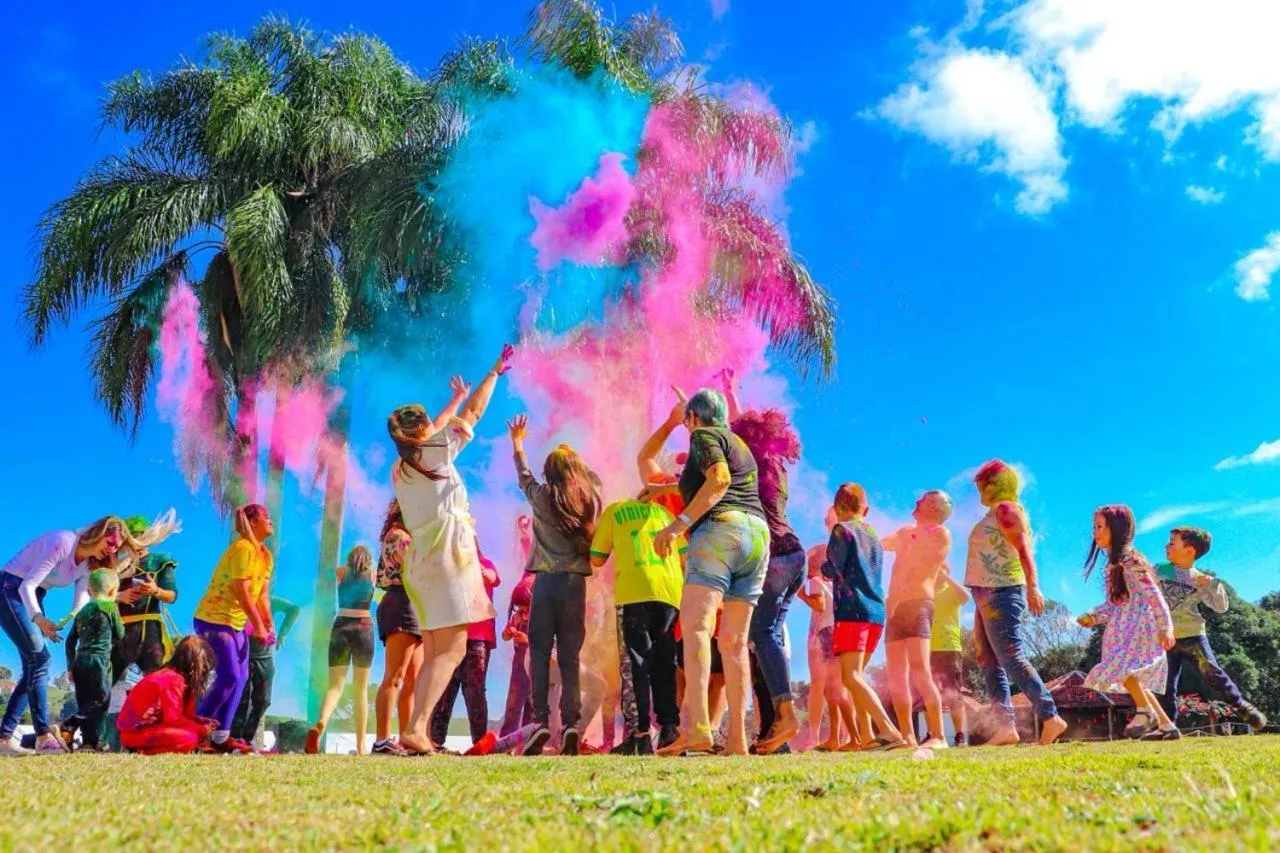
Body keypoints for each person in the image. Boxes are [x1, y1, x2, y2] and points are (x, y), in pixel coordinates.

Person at [389, 348, 511, 756]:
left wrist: (454, 400)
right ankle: (418, 726)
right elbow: (473, 417)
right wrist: (492, 373)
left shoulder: (403, 467)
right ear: (422, 430)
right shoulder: (435, 453)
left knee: (436, 646)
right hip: (447, 557)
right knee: (455, 646)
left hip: (421, 564)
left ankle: (414, 729)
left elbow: (437, 431)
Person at [652, 387, 770, 757]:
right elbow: (718, 480)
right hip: (756, 536)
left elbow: (718, 480)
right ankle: (736, 739)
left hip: (719, 531)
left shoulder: (702, 435)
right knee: (733, 642)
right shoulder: (736, 442)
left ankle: (699, 727)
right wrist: (667, 488)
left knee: (696, 628)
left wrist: (677, 526)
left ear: (692, 419)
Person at [720, 370, 807, 755]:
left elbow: (734, 434)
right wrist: (730, 392)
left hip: (773, 556)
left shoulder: (749, 464)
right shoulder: (774, 464)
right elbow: (742, 427)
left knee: (761, 636)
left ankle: (786, 715)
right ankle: (775, 735)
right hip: (793, 554)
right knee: (762, 640)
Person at [0, 516, 138, 756]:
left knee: (34, 665)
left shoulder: (87, 565)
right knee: (40, 661)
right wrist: (39, 620)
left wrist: (79, 616)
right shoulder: (63, 541)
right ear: (98, 532)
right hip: (10, 589)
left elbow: (82, 602)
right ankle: (44, 736)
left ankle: (3, 739)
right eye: (112, 541)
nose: (112, 549)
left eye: (117, 547)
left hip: (35, 596)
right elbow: (26, 586)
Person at [507, 414, 602, 756]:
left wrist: (518, 441)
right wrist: (576, 463)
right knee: (569, 659)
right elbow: (591, 481)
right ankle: (572, 725)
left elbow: (523, 476)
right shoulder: (588, 500)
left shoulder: (541, 496)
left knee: (540, 653)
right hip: (575, 585)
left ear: (549, 472)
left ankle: (542, 722)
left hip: (544, 585)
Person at [964, 460, 1067, 746]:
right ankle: (1005, 727)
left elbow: (1024, 549)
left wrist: (1034, 586)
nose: (979, 490)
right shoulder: (993, 514)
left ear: (994, 484)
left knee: (1011, 656)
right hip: (984, 593)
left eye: (983, 484)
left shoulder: (1007, 510)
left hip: (1002, 591)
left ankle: (1051, 717)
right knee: (988, 660)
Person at [590, 492, 684, 755]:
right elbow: (684, 555)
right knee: (666, 663)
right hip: (669, 593)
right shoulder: (666, 514)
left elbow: (597, 558)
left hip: (634, 592)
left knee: (637, 663)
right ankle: (669, 731)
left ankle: (640, 734)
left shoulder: (614, 509)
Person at [1078, 505, 1177, 740]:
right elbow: (1114, 604)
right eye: (1094, 527)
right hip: (1122, 628)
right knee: (1131, 676)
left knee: (1125, 669)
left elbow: (1154, 595)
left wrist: (1166, 626)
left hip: (1140, 627)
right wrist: (1094, 615)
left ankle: (1146, 712)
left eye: (1100, 527)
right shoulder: (1112, 565)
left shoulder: (1131, 560)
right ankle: (1166, 725)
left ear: (1117, 528)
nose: (1095, 532)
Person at [820, 483, 907, 751]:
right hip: (875, 612)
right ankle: (868, 737)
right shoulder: (872, 535)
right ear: (865, 510)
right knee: (857, 675)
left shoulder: (841, 530)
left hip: (852, 610)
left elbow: (833, 567)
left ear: (837, 508)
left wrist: (823, 567)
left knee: (851, 678)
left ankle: (889, 730)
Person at [1154, 526, 1266, 731]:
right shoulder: (1159, 570)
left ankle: (1241, 705)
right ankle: (1166, 727)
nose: (1166, 545)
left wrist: (1213, 585)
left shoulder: (1199, 578)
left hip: (1193, 636)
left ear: (1190, 550)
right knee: (1164, 685)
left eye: (1172, 542)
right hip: (1165, 637)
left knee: (1211, 671)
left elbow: (1221, 607)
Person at [192, 503, 275, 754]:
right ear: (252, 523)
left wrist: (267, 622)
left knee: (240, 679)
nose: (271, 521)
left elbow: (261, 594)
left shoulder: (264, 555)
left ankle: (220, 737)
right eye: (266, 517)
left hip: (234, 624)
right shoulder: (242, 549)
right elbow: (242, 591)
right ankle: (195, 732)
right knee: (229, 675)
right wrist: (258, 625)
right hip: (214, 619)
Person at [882, 491, 954, 750]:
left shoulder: (940, 534)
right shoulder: (906, 533)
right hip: (895, 609)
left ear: (934, 507)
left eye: (921, 501)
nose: (915, 503)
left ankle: (939, 736)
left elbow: (924, 558)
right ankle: (907, 736)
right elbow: (880, 545)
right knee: (896, 676)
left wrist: (906, 536)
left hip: (919, 605)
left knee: (920, 669)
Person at [306, 545, 378, 755]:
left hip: (341, 627)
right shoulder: (372, 575)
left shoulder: (340, 572)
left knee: (335, 687)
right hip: (364, 628)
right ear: (368, 559)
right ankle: (361, 745)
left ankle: (320, 724)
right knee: (361, 689)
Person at [430, 538, 500, 749]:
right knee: (445, 688)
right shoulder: (450, 566)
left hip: (478, 637)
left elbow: (491, 578)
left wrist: (472, 567)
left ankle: (479, 743)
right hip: (452, 635)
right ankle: (435, 741)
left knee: (475, 690)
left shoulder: (485, 563)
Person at [797, 529, 856, 751]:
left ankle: (851, 737)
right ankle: (838, 737)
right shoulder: (835, 584)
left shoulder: (815, 582)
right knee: (839, 687)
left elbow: (819, 606)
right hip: (840, 630)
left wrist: (801, 594)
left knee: (832, 689)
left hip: (827, 634)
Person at [117, 636, 217, 755]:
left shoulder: (178, 678)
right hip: (135, 734)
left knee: (194, 734)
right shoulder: (173, 679)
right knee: (189, 738)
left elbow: (182, 716)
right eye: (205, 668)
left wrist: (199, 721)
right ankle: (141, 751)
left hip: (146, 730)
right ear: (194, 666)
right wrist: (202, 729)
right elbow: (173, 719)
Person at [60, 569, 125, 751]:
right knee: (101, 700)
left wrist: (70, 667)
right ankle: (70, 724)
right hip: (99, 661)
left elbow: (70, 641)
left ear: (89, 591)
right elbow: (120, 633)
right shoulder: (110, 607)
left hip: (80, 662)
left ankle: (88, 743)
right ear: (113, 591)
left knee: (85, 702)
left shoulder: (82, 611)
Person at [372, 524, 421, 757]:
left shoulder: (404, 535)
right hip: (401, 601)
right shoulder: (399, 536)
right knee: (395, 676)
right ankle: (382, 739)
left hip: (411, 603)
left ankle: (407, 737)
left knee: (412, 680)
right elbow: (413, 569)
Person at [114, 514, 180, 682]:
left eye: (139, 535)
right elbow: (95, 593)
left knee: (156, 680)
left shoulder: (159, 561)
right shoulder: (116, 564)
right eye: (131, 537)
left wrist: (155, 590)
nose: (136, 541)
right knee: (104, 684)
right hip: (118, 631)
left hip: (149, 630)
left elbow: (172, 596)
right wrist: (119, 596)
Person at [229, 595, 299, 748]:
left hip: (264, 655)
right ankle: (234, 740)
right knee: (241, 701)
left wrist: (283, 634)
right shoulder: (238, 599)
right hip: (242, 655)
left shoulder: (269, 600)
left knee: (263, 701)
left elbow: (293, 610)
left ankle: (246, 738)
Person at [930, 563, 971, 746]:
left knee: (953, 693)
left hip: (950, 648)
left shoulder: (952, 590)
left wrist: (945, 576)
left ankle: (960, 735)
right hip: (927, 649)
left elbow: (965, 597)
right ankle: (933, 734)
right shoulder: (927, 592)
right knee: (928, 692)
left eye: (941, 569)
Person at [498, 568, 535, 736]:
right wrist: (508, 633)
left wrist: (527, 640)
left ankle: (528, 741)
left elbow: (549, 643)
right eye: (519, 608)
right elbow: (505, 635)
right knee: (513, 704)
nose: (523, 612)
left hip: (536, 667)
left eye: (526, 607)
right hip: (519, 668)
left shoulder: (542, 616)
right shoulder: (518, 615)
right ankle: (507, 739)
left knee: (533, 706)